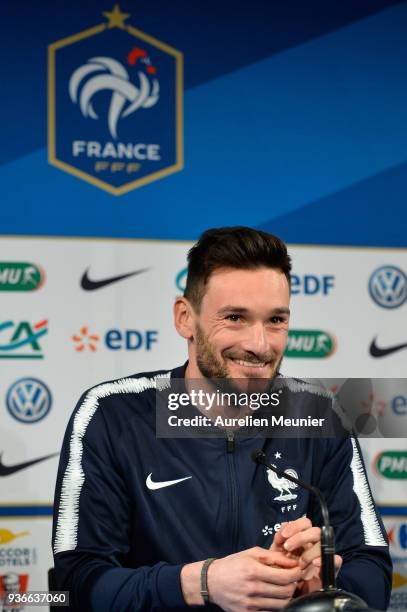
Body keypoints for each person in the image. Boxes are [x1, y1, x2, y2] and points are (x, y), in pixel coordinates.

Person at [52, 227, 392, 611]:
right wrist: (200, 583)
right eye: (235, 317)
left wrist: (319, 580)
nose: (259, 344)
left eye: (276, 320)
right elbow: (74, 587)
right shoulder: (110, 414)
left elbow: (374, 578)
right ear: (185, 318)